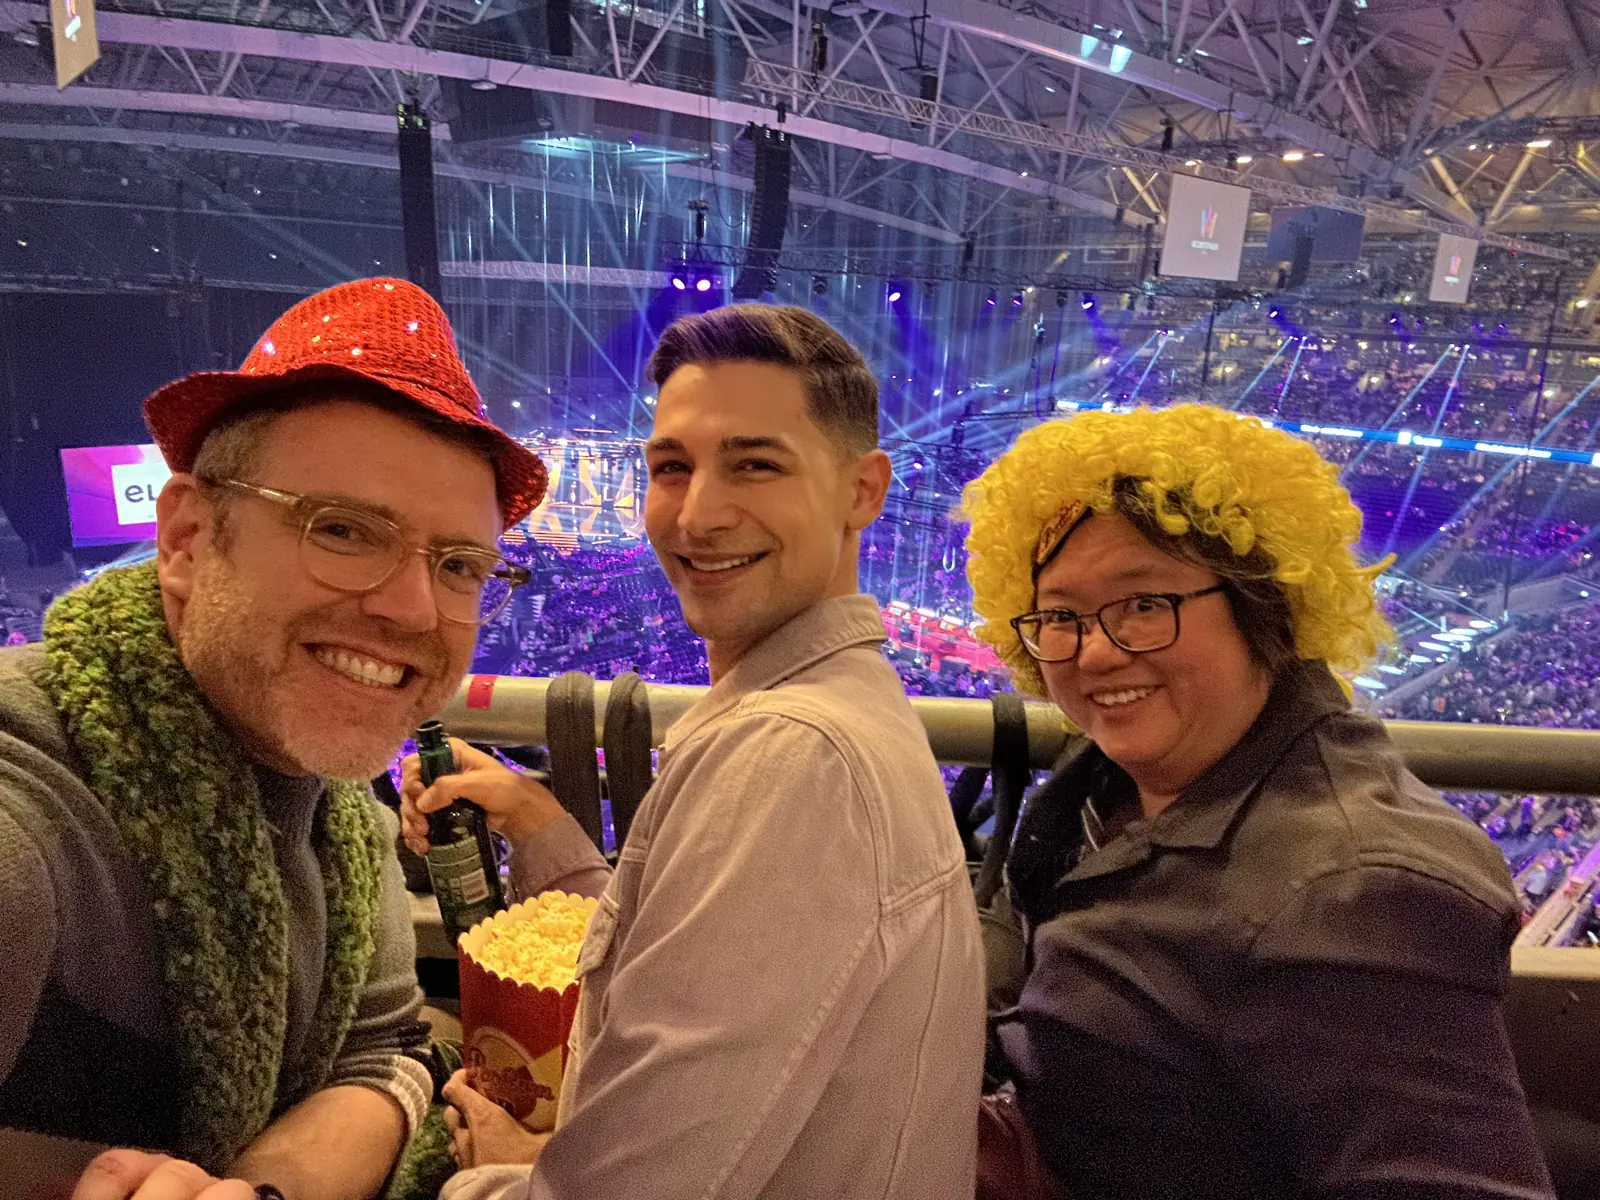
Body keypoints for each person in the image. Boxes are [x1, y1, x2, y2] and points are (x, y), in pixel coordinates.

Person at [403, 304, 985, 1200]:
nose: (699, 514)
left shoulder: (792, 759)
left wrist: (496, 1178)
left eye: (756, 464)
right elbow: (692, 967)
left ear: (862, 491)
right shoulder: (832, 711)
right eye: (671, 468)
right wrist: (538, 822)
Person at [0, 278, 547, 1200]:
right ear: (184, 539)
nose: (414, 607)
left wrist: (257, 1190)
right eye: (341, 529)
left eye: (458, 564)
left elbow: (385, 1050)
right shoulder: (33, 815)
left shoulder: (339, 809)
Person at [962, 404, 1553, 1199]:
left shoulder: (1349, 889)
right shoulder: (1129, 781)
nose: (1096, 650)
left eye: (1144, 604)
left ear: (1260, 605)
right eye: (1062, 617)